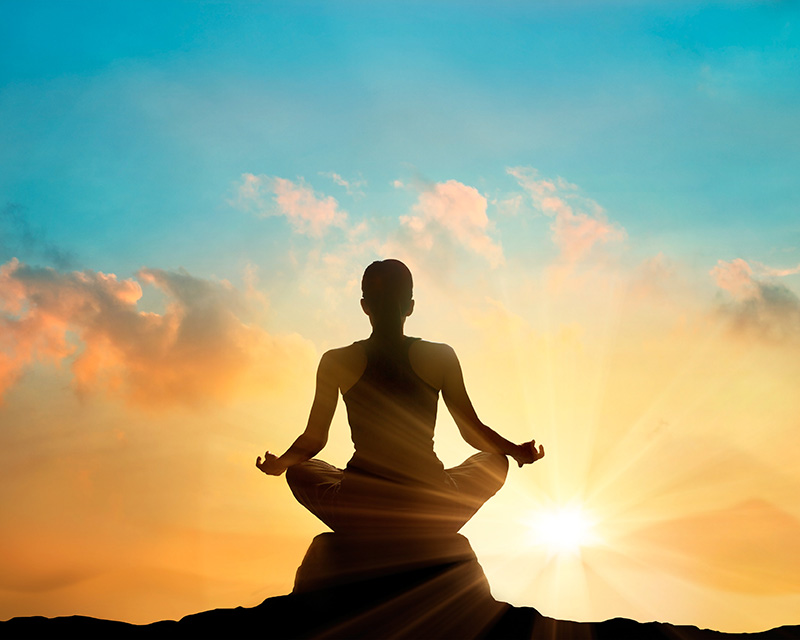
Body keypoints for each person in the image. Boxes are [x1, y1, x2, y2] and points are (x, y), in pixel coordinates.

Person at [256, 259, 544, 535]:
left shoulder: (336, 361)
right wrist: (515, 451)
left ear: (365, 306)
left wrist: (281, 463)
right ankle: (431, 524)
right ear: (410, 306)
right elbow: (472, 432)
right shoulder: (440, 356)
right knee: (495, 462)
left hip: (359, 507)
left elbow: (314, 440)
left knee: (298, 469)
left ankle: (366, 523)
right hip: (431, 505)